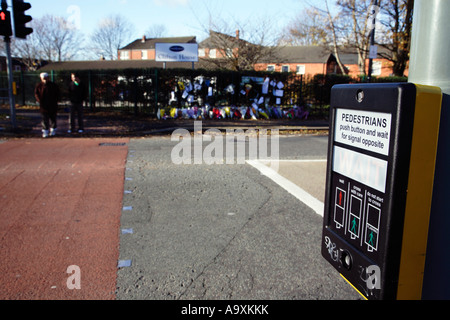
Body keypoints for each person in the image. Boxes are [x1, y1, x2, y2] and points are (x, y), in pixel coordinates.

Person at [34, 73, 60, 138]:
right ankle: (45, 131)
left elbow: (58, 94)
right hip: (43, 105)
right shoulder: (39, 86)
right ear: (41, 79)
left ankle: (53, 130)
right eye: (43, 78)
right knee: (44, 118)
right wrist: (39, 100)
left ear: (48, 78)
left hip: (52, 105)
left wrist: (56, 100)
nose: (45, 79)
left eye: (46, 78)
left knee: (53, 118)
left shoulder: (53, 85)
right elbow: (36, 94)